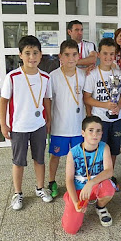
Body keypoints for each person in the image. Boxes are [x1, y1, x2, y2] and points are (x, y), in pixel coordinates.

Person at [0, 35, 53, 210]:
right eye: (27, 53)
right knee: (18, 161)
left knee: (39, 159)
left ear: (41, 54)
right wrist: (3, 124)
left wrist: (48, 121)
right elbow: (3, 101)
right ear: (20, 55)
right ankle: (18, 193)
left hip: (38, 125)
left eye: (35, 53)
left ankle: (40, 188)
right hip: (19, 127)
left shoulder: (45, 77)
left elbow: (47, 100)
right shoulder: (13, 77)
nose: (32, 57)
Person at [46, 40, 86, 198]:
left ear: (78, 56)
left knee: (79, 156)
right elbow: (48, 100)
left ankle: (79, 181)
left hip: (78, 126)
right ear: (60, 57)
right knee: (55, 156)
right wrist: (49, 120)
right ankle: (51, 182)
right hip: (59, 126)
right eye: (67, 55)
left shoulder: (83, 75)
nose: (71, 58)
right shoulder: (53, 76)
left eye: (74, 55)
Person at [84, 37, 121, 191]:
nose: (109, 57)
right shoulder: (93, 74)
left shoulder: (117, 71)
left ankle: (109, 175)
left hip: (117, 117)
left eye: (112, 54)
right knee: (100, 148)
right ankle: (97, 175)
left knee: (113, 150)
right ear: (99, 55)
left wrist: (118, 106)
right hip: (100, 119)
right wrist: (105, 105)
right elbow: (86, 98)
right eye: (105, 54)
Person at [62, 116, 115, 234]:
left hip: (95, 186)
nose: (94, 134)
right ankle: (69, 200)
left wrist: (91, 183)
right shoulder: (73, 153)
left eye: (98, 131)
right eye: (90, 130)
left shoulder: (104, 147)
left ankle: (100, 207)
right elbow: (69, 180)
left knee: (108, 188)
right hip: (79, 191)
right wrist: (76, 202)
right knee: (70, 229)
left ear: (102, 133)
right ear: (83, 133)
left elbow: (109, 171)